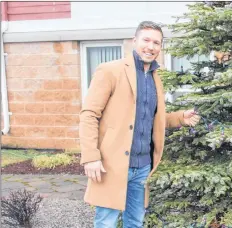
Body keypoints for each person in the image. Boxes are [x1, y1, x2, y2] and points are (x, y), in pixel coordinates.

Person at [79, 21, 200, 227]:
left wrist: (180, 118)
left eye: (156, 43)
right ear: (134, 41)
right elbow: (89, 114)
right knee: (106, 222)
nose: (151, 47)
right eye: (146, 40)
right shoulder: (110, 71)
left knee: (135, 222)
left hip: (142, 166)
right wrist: (90, 156)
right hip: (112, 164)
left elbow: (151, 118)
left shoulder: (155, 77)